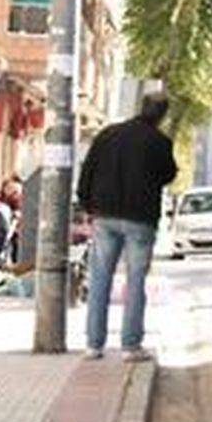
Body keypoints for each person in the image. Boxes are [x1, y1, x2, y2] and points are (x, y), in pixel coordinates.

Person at [74, 90, 178, 361]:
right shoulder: (159, 141)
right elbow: (168, 174)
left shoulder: (108, 135)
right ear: (162, 114)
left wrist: (87, 205)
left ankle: (93, 345)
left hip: (105, 216)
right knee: (135, 281)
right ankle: (130, 347)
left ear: (141, 106)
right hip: (140, 218)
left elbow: (87, 171)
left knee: (100, 278)